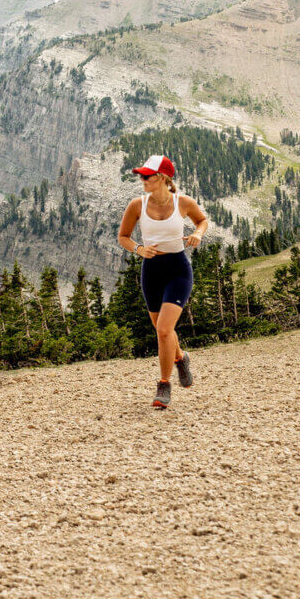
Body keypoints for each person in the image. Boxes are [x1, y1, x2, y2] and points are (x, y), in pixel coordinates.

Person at [117, 154, 208, 408]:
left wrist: (198, 234)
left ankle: (164, 385)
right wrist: (139, 249)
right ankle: (180, 357)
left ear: (162, 178)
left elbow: (202, 221)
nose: (142, 180)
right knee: (161, 328)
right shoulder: (137, 205)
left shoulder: (183, 202)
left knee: (164, 330)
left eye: (147, 176)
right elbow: (123, 237)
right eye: (142, 176)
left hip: (178, 269)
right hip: (151, 271)